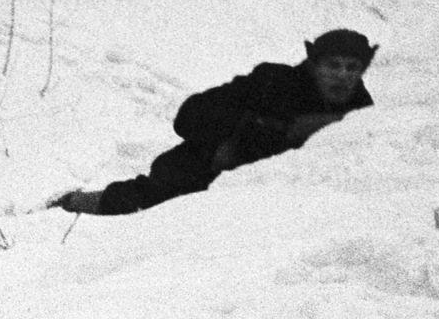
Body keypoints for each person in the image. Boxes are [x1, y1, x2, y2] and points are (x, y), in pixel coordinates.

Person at [53, 29, 377, 217]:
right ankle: (72, 204)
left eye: (353, 67)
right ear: (313, 64)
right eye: (333, 65)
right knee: (143, 204)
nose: (343, 75)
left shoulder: (361, 110)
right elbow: (188, 117)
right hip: (203, 168)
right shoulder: (272, 82)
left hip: (270, 199)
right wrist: (252, 131)